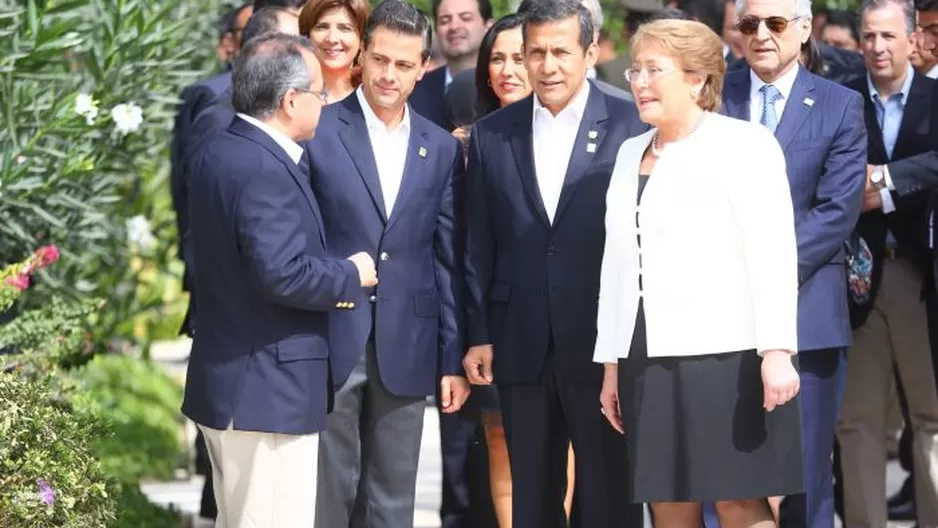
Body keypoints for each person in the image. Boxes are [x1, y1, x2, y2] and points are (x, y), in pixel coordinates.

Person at [596, 18, 803, 527]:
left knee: (737, 499)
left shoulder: (745, 145)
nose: (639, 81)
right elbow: (617, 263)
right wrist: (611, 363)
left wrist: (776, 351)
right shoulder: (628, 153)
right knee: (666, 500)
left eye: (653, 70)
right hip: (647, 355)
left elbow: (773, 252)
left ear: (696, 78)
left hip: (728, 356)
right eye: (635, 70)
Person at [461, 1, 647, 526]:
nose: (547, 66)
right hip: (521, 340)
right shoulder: (493, 133)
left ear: (590, 52)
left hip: (603, 343)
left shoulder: (631, 121)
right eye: (535, 52)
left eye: (561, 52)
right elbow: (479, 243)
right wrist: (479, 332)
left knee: (610, 496)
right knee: (533, 499)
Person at [181, 33, 376, 528]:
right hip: (265, 393)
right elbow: (281, 272)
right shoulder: (262, 166)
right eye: (319, 93)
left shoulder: (221, 150)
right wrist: (350, 274)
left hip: (235, 386)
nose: (326, 102)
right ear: (291, 101)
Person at [304, 2, 470, 527]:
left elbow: (446, 258)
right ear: (362, 57)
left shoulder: (440, 147)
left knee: (391, 500)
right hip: (331, 335)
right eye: (380, 60)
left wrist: (451, 357)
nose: (389, 76)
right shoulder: (317, 130)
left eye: (403, 65)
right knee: (328, 494)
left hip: (409, 342)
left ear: (424, 66)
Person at [721, 0, 868, 525]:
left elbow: (835, 213)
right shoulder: (714, 95)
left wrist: (763, 272)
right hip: (719, 315)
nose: (761, 34)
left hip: (809, 315)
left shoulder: (840, 104)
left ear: (805, 29)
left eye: (776, 23)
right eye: (749, 24)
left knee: (805, 476)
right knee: (725, 474)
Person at [298, 0, 370, 103]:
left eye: (345, 28)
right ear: (307, 35)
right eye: (322, 27)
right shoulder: (291, 96)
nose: (332, 39)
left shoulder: (374, 96)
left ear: (362, 39)